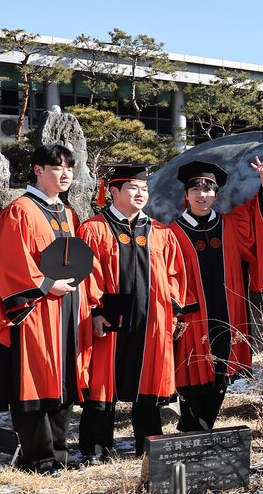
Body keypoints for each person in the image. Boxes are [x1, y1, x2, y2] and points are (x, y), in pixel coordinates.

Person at [0, 144, 91, 474]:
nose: (65, 174)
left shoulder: (68, 213)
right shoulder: (20, 211)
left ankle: (58, 449)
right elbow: (9, 262)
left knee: (62, 380)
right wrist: (45, 285)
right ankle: (38, 456)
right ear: (38, 171)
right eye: (57, 168)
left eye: (69, 169)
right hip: (35, 310)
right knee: (33, 382)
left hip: (67, 309)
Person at [78, 165, 196, 458]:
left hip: (152, 320)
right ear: (113, 192)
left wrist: (173, 310)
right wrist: (94, 311)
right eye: (133, 188)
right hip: (109, 320)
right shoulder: (94, 229)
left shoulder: (159, 232)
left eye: (144, 188)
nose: (141, 193)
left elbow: (174, 274)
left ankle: (149, 447)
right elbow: (86, 275)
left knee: (148, 380)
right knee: (103, 383)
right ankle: (96, 449)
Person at [170, 160, 263, 432]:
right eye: (195, 189)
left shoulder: (231, 225)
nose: (201, 194)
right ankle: (193, 426)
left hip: (228, 310)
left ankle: (201, 427)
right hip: (192, 313)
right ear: (186, 195)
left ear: (216, 195)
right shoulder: (171, 232)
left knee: (221, 371)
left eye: (208, 189)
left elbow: (257, 214)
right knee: (191, 369)